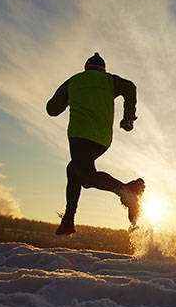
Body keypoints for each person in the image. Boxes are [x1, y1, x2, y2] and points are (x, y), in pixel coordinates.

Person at [45, 52, 144, 235]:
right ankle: (68, 221)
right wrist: (128, 118)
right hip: (103, 140)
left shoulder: (74, 81)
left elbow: (52, 109)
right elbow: (130, 87)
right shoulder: (109, 81)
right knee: (74, 169)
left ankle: (126, 191)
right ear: (103, 69)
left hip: (80, 136)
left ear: (86, 69)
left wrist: (68, 100)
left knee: (87, 177)